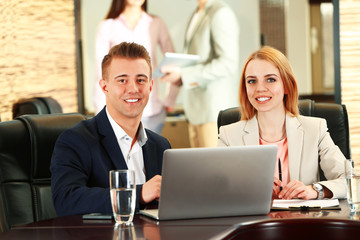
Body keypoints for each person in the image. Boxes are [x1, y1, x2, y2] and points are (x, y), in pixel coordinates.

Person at [51, 42, 171, 216]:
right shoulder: (76, 140)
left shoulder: (161, 145)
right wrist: (138, 194)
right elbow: (66, 200)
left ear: (151, 86)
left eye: (141, 80)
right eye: (122, 80)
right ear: (104, 87)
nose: (133, 89)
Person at [218, 46, 346, 200]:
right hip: (253, 222)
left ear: (286, 85)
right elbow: (215, 189)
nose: (259, 88)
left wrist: (314, 190)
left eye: (270, 79)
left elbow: (351, 182)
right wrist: (249, 187)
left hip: (302, 221)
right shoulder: (229, 136)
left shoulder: (315, 129)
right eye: (252, 81)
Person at [160, 0, 239, 147]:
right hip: (195, 112)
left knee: (214, 168)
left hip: (213, 112)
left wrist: (184, 75)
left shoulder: (221, 13)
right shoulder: (196, 13)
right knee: (201, 169)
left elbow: (227, 63)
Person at [94, 0, 178, 134]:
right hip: (118, 114)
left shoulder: (155, 23)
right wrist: (100, 115)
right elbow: (101, 72)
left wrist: (170, 100)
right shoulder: (107, 26)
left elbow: (174, 63)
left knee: (150, 154)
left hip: (152, 111)